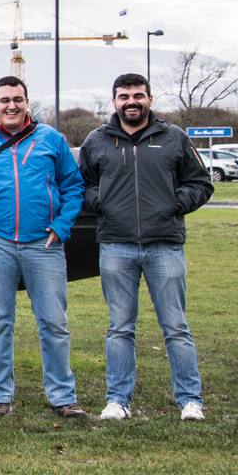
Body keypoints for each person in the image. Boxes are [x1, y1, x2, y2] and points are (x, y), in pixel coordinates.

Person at [80, 73, 214, 422]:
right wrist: (102, 202)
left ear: (150, 99)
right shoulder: (97, 141)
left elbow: (200, 183)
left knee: (176, 327)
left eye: (138, 95)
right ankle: (117, 400)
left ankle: (190, 400)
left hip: (164, 245)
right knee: (120, 327)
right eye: (124, 96)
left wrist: (175, 204)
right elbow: (81, 185)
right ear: (114, 101)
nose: (131, 102)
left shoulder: (174, 138)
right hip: (115, 245)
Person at [0, 76, 87, 419]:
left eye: (17, 99)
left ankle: (63, 396)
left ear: (27, 102)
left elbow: (73, 185)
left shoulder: (51, 139)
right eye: (4, 100)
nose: (11, 105)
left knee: (53, 322)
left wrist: (62, 226)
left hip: (43, 243)